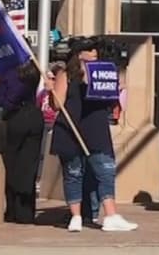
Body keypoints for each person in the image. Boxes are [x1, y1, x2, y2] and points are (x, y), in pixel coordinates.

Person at [49, 40, 138, 233]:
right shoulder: (66, 74)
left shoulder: (103, 71)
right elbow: (57, 105)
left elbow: (110, 101)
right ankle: (76, 216)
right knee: (73, 174)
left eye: (95, 49)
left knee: (105, 171)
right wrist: (52, 89)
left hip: (95, 129)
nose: (94, 52)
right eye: (89, 50)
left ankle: (111, 215)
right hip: (70, 129)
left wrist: (117, 86)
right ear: (78, 54)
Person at [0, 61, 44, 224]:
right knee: (29, 165)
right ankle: (26, 211)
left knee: (12, 163)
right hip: (34, 115)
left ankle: (13, 209)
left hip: (16, 117)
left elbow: (7, 99)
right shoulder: (33, 69)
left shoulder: (10, 72)